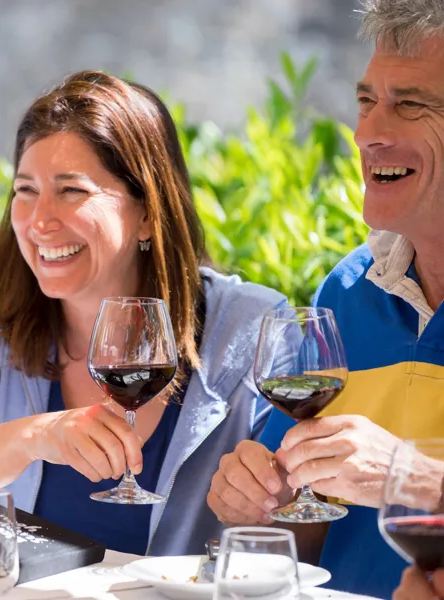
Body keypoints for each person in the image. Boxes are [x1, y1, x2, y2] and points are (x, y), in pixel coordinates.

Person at [0, 70, 286, 556]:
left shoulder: (252, 328)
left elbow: (294, 529)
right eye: (25, 190)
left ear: (147, 213)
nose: (39, 222)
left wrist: (267, 498)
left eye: (71, 191)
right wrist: (34, 436)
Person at [206, 0, 444, 596]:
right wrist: (268, 504)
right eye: (367, 102)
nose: (368, 133)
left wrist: (416, 481)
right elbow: (301, 542)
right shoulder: (345, 290)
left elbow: (401, 481)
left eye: (408, 105)